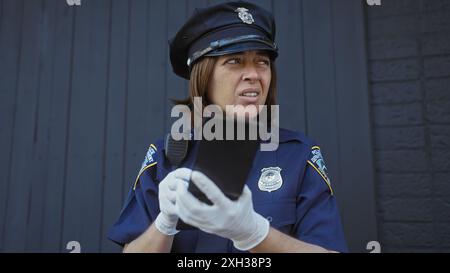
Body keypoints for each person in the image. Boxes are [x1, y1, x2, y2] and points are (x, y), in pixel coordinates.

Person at [108, 0, 347, 253]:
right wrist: (164, 224)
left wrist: (255, 233)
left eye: (262, 62)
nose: (253, 74)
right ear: (203, 75)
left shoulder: (299, 155)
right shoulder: (164, 157)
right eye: (234, 61)